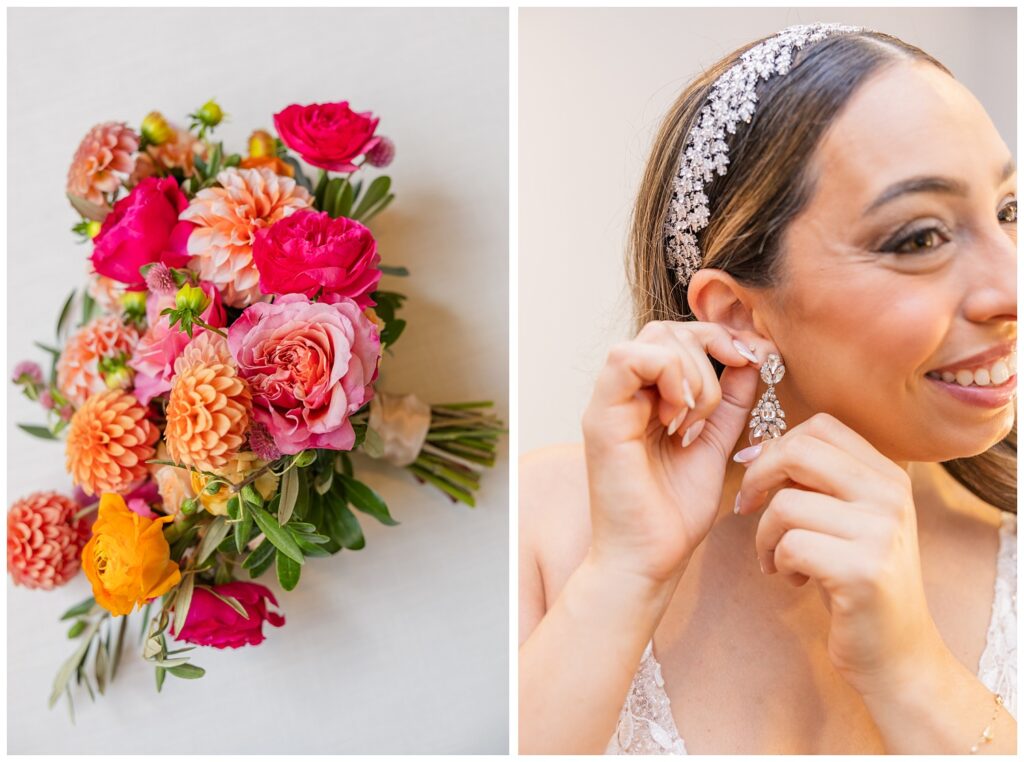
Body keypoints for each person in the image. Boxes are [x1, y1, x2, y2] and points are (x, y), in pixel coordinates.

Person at [519, 23, 1017, 755]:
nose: (1011, 285)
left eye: (1009, 212)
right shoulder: (550, 528)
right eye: (920, 238)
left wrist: (913, 671)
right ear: (740, 317)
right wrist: (624, 578)